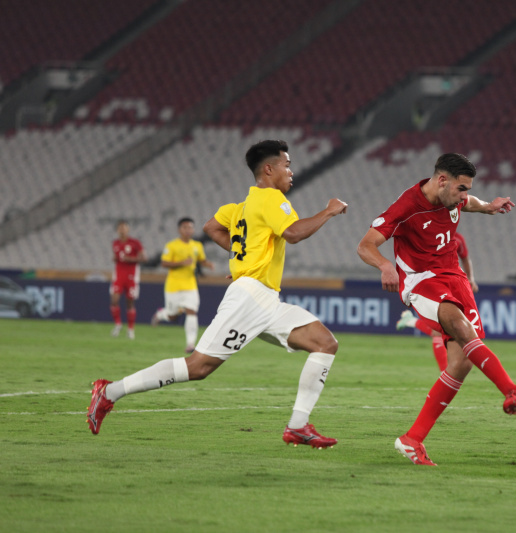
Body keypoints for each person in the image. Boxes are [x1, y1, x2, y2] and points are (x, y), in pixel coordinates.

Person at [88, 140, 348, 449]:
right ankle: (109, 392)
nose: (291, 171)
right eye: (287, 165)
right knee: (198, 367)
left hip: (265, 299)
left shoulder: (240, 207)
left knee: (324, 343)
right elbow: (293, 233)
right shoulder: (271, 199)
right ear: (268, 169)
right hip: (252, 297)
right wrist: (329, 211)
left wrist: (243, 259)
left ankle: (298, 426)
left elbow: (213, 227)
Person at [357, 152, 516, 466]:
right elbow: (365, 244)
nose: (464, 195)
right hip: (420, 280)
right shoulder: (407, 207)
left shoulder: (452, 199)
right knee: (458, 324)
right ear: (442, 181)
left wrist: (489, 207)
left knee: (461, 364)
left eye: (467, 188)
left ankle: (412, 439)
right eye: (461, 188)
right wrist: (385, 266)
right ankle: (512, 391)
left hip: (455, 278)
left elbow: (472, 203)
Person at [396, 231, 478, 371]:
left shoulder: (457, 238)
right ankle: (445, 372)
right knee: (438, 331)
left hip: (454, 284)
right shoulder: (428, 234)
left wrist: (470, 279)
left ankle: (411, 321)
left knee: (456, 329)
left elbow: (465, 258)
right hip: (433, 284)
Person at [150, 217, 215, 353]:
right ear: (180, 230)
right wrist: (181, 263)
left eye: (190, 227)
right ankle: (160, 314)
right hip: (173, 287)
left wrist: (207, 264)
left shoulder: (197, 246)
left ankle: (190, 344)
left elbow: (201, 260)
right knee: (172, 316)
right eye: (185, 227)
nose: (188, 230)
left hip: (190, 286)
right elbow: (164, 263)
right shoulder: (172, 245)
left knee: (192, 311)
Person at [109, 219, 146, 339]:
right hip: (119, 275)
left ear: (128, 229)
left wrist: (130, 259)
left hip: (132, 276)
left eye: (124, 228)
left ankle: (130, 329)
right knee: (114, 299)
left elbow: (144, 258)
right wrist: (115, 259)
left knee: (130, 303)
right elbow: (116, 257)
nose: (122, 230)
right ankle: (118, 324)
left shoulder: (135, 243)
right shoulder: (115, 243)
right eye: (120, 228)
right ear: (117, 230)